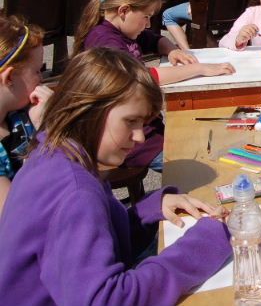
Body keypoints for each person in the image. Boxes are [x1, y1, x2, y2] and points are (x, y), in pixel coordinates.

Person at [0, 48, 231, 306]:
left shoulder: (54, 153)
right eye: (130, 121)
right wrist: (205, 244)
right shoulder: (74, 192)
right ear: (87, 111)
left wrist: (145, 212)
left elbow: (95, 242)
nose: (140, 137)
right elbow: (106, 299)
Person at [73, 0, 235, 86]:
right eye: (146, 17)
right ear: (123, 11)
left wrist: (172, 50)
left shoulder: (125, 30)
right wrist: (199, 68)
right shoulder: (105, 41)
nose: (148, 24)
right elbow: (141, 76)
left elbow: (156, 40)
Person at [0, 16, 51, 215]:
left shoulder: (20, 115)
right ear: (9, 77)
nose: (41, 79)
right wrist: (45, 129)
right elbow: (14, 216)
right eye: (37, 71)